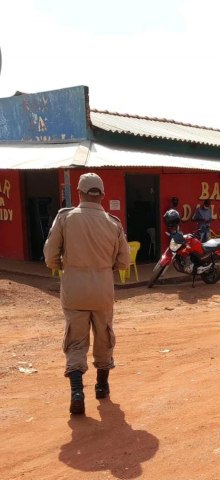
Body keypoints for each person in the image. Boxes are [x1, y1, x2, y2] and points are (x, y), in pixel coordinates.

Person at [43, 172, 130, 415]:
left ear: (79, 193)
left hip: (74, 290)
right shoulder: (113, 223)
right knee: (104, 336)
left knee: (76, 341)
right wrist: (105, 266)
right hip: (102, 290)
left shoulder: (65, 218)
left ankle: (77, 392)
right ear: (102, 195)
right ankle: (102, 387)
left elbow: (50, 257)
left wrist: (64, 266)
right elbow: (124, 262)